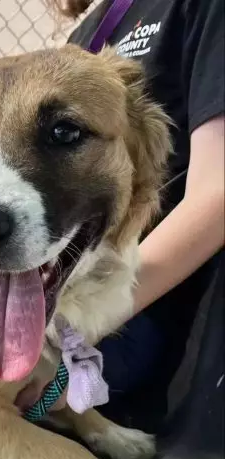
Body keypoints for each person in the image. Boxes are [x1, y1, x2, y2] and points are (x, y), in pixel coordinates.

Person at [49, 0, 224, 431]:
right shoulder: (89, 32)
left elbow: (218, 191)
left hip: (137, 312)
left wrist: (78, 325)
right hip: (65, 290)